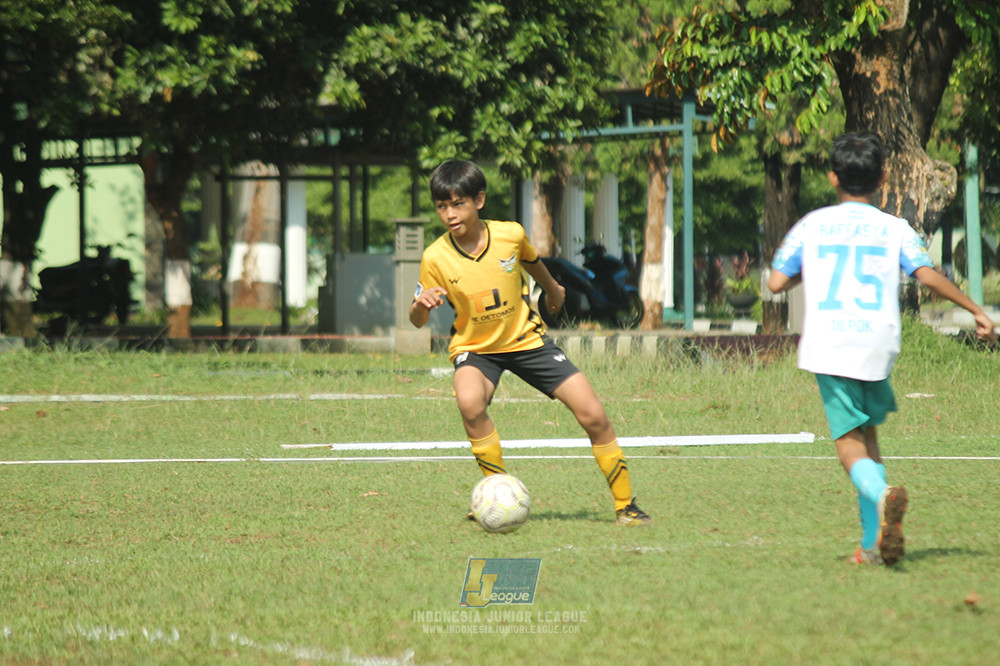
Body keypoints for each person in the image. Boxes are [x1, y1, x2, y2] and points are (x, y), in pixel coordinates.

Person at [768, 132, 996, 566]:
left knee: (848, 446)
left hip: (831, 344)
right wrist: (976, 310)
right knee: (869, 437)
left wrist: (808, 271)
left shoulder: (810, 226)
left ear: (833, 177)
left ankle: (883, 492)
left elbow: (777, 282)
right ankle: (872, 546)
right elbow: (926, 274)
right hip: (877, 343)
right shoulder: (895, 228)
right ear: (883, 177)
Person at [409, 159, 651, 526]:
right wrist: (419, 305)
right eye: (442, 206)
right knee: (470, 403)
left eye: (457, 204)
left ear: (479, 200)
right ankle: (494, 491)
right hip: (475, 349)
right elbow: (417, 320)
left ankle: (625, 506)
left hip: (527, 341)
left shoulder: (510, 234)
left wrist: (554, 292)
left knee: (593, 414)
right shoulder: (435, 257)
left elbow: (534, 263)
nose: (449, 215)